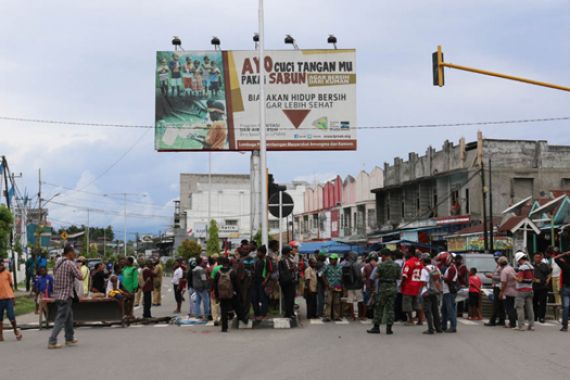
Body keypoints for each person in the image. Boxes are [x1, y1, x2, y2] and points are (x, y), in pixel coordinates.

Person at [48, 245, 83, 349]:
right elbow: (80, 276)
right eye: (74, 252)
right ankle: (52, 341)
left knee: (69, 316)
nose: (75, 254)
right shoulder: (70, 264)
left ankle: (69, 338)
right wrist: (78, 267)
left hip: (57, 294)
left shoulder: (58, 261)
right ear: (69, 253)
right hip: (66, 295)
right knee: (61, 318)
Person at [367, 249, 400, 335]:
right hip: (392, 288)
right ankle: (389, 328)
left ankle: (376, 327)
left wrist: (371, 287)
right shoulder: (396, 265)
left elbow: (373, 277)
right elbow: (399, 277)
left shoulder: (380, 265)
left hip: (383, 288)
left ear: (384, 255)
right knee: (390, 308)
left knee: (379, 308)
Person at [214, 256, 247, 332]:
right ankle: (243, 319)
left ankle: (224, 328)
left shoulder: (218, 273)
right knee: (238, 306)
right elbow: (237, 285)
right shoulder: (232, 272)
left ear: (222, 264)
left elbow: (215, 285)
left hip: (222, 295)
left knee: (223, 310)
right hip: (232, 294)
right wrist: (239, 294)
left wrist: (217, 295)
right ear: (228, 263)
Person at [419, 254, 442, 335]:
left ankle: (430, 329)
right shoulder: (436, 268)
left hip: (427, 292)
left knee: (428, 311)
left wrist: (422, 291)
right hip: (435, 292)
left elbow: (423, 282)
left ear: (424, 261)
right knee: (435, 310)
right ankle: (438, 328)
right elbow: (439, 279)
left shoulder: (424, 269)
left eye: (421, 260)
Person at [400, 246, 424, 325]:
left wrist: (401, 284)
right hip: (418, 286)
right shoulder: (420, 263)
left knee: (407, 304)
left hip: (408, 286)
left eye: (407, 252)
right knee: (417, 304)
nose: (406, 253)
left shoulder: (408, 263)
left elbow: (404, 276)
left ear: (410, 253)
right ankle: (420, 320)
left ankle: (411, 320)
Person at [0, 260, 22, 342]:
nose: (0, 267)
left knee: (11, 316)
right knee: (0, 318)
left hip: (8, 298)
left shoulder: (7, 273)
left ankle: (16, 331)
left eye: (1, 265)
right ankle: (1, 335)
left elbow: (10, 285)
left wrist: (13, 298)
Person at [513, 251, 535, 331]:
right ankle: (531, 325)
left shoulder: (522, 267)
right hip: (530, 289)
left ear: (519, 260)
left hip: (521, 290)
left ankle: (521, 326)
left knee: (519, 308)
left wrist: (514, 276)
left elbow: (520, 280)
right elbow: (531, 279)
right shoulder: (531, 266)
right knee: (530, 308)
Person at [437, 252, 458, 333]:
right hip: (446, 291)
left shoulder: (452, 268)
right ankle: (444, 326)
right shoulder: (449, 268)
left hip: (449, 292)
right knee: (444, 310)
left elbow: (449, 279)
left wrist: (441, 277)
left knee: (450, 310)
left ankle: (453, 327)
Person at [485, 256, 506, 327]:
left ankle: (492, 320)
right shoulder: (499, 267)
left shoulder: (502, 268)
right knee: (500, 305)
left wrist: (492, 276)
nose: (496, 261)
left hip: (498, 287)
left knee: (496, 304)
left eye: (497, 260)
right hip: (496, 286)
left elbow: (501, 278)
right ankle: (501, 320)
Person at [342, 252, 364, 320]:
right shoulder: (357, 264)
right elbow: (358, 275)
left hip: (349, 285)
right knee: (360, 300)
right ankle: (360, 315)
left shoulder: (345, 264)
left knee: (350, 300)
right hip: (357, 285)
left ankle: (352, 315)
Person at [252, 245, 271, 320]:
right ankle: (257, 313)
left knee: (263, 298)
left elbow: (269, 271)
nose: (257, 253)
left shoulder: (267, 260)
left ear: (262, 253)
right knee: (254, 298)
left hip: (262, 282)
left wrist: (265, 281)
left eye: (258, 252)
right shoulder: (256, 260)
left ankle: (263, 314)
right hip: (255, 282)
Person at [279, 246, 298, 319]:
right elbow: (288, 270)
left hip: (289, 281)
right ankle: (289, 313)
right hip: (287, 281)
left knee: (290, 297)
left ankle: (290, 312)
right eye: (289, 251)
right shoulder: (284, 259)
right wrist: (293, 268)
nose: (290, 252)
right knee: (289, 298)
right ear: (287, 252)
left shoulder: (286, 259)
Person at [322, 254, 343, 322]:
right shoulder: (327, 267)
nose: (331, 260)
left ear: (336, 260)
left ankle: (336, 316)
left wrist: (342, 285)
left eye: (333, 259)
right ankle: (327, 316)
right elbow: (322, 275)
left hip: (337, 286)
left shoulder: (340, 267)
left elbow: (342, 276)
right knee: (328, 302)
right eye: (330, 259)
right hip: (329, 286)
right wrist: (326, 283)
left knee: (337, 302)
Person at [553, 250, 570, 331]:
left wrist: (564, 253)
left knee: (566, 307)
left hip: (566, 287)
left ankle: (565, 326)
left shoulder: (565, 265)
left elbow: (555, 258)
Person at [499, 256, 518, 328]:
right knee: (513, 307)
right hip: (514, 290)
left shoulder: (504, 271)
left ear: (500, 264)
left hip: (508, 291)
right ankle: (513, 322)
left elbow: (504, 282)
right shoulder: (511, 268)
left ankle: (512, 323)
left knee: (508, 308)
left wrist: (501, 292)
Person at [532, 253, 551, 324]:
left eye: (538, 257)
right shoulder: (531, 266)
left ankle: (542, 317)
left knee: (543, 303)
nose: (537, 259)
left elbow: (549, 273)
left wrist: (548, 279)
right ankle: (535, 316)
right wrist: (534, 280)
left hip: (543, 287)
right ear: (534, 258)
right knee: (534, 302)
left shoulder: (545, 265)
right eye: (535, 257)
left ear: (540, 258)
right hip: (534, 287)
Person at [362, 252, 378, 320]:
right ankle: (376, 316)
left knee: (366, 302)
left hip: (368, 286)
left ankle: (364, 316)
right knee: (376, 302)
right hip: (377, 287)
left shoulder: (366, 266)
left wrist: (366, 283)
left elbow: (363, 277)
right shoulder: (379, 265)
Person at [316, 251, 328, 317]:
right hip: (320, 283)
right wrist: (325, 283)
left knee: (321, 298)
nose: (326, 257)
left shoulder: (319, 263)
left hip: (320, 282)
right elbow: (321, 275)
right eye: (325, 256)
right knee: (321, 298)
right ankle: (320, 312)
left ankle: (320, 312)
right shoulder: (321, 264)